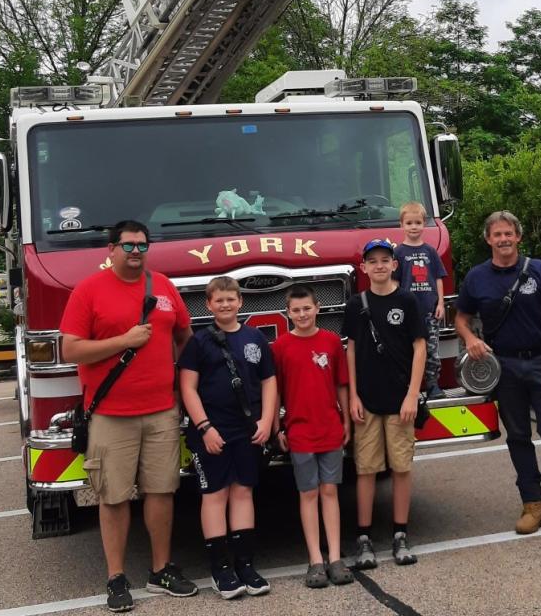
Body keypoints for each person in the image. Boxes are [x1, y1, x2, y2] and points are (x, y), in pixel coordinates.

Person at [59, 220, 197, 613]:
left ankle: (160, 570)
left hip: (161, 413)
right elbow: (70, 350)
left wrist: (182, 384)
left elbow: (184, 336)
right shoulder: (89, 290)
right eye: (128, 246)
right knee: (115, 497)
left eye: (142, 246)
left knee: (161, 491)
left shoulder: (165, 287)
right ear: (111, 250)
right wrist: (126, 341)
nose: (136, 253)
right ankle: (117, 577)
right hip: (110, 414)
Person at [454, 210, 541, 536]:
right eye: (497, 234)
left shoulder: (539, 270)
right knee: (518, 436)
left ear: (518, 237)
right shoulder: (477, 277)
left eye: (509, 233)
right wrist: (470, 338)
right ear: (488, 239)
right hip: (503, 367)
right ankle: (532, 504)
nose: (504, 239)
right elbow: (460, 319)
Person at [178, 276, 278, 599]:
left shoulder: (256, 338)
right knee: (215, 494)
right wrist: (205, 427)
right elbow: (187, 387)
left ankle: (245, 564)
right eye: (218, 300)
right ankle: (220, 568)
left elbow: (269, 382)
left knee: (243, 492)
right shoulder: (199, 342)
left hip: (246, 430)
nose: (225, 305)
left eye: (230, 299)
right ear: (208, 305)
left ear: (240, 302)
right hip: (211, 432)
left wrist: (266, 420)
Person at [343, 238, 426, 571]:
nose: (378, 265)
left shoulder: (406, 300)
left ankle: (400, 533)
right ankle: (363, 537)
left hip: (400, 400)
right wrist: (353, 395)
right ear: (363, 268)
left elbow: (420, 347)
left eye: (384, 260)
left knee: (402, 468)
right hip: (367, 402)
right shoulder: (355, 304)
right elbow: (349, 349)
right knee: (366, 469)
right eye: (372, 260)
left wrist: (412, 394)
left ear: (395, 264)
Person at [272, 284, 354, 588]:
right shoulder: (280, 347)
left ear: (317, 308)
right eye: (296, 310)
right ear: (288, 313)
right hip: (300, 430)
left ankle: (335, 556)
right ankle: (315, 560)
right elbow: (275, 392)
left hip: (329, 428)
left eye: (307, 308)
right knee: (307, 493)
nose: (302, 314)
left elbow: (342, 385)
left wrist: (346, 419)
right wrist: (279, 427)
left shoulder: (332, 342)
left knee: (329, 491)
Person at [393, 201, 447, 398]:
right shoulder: (398, 253)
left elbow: (438, 278)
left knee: (432, 351)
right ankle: (409, 388)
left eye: (417, 222)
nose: (413, 227)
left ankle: (433, 385)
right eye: (409, 223)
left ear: (424, 224)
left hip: (429, 311)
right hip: (408, 314)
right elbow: (395, 283)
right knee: (407, 352)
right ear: (401, 226)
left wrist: (440, 303)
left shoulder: (430, 252)